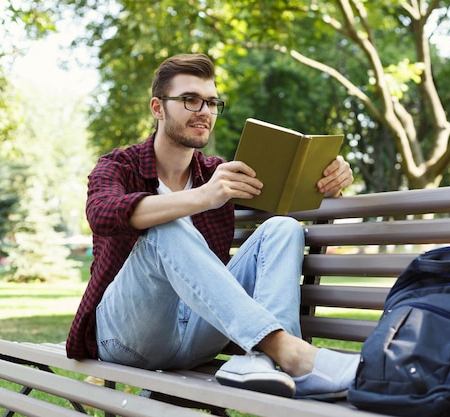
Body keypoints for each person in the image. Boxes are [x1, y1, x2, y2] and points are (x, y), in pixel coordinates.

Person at [66, 53, 360, 399]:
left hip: (197, 334)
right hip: (127, 336)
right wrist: (205, 197)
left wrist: (330, 179)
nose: (203, 111)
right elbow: (101, 213)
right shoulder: (119, 165)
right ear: (158, 108)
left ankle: (264, 360)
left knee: (283, 228)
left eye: (211, 102)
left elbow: (288, 194)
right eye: (190, 100)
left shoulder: (216, 173)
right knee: (165, 226)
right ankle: (290, 353)